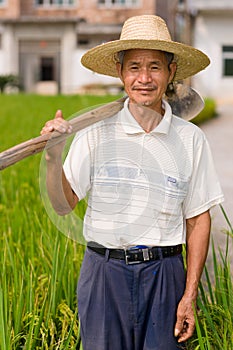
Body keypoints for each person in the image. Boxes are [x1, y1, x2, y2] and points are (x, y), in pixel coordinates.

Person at [41, 15, 224, 350]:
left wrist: (189, 294)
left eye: (154, 67)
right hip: (104, 274)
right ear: (119, 71)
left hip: (165, 274)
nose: (144, 78)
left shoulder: (190, 140)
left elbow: (198, 219)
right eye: (134, 66)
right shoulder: (93, 134)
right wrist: (53, 157)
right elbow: (63, 205)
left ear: (171, 72)